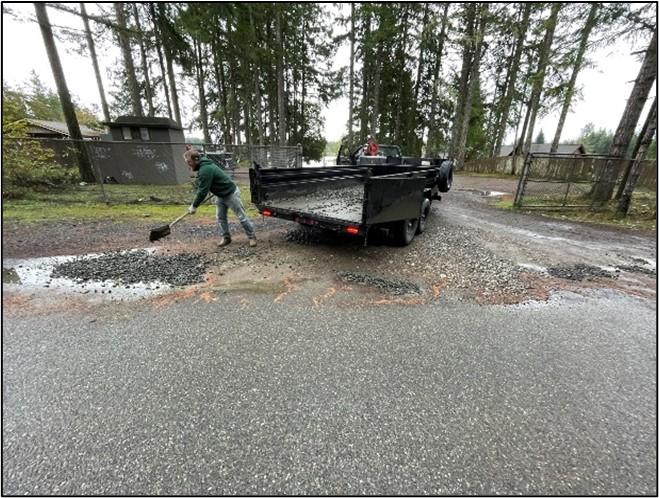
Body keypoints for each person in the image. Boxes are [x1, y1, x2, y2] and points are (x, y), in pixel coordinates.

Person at [183, 146, 256, 247]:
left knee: (241, 216)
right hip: (220, 195)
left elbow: (202, 191)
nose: (189, 165)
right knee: (220, 217)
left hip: (230, 193)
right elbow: (205, 187)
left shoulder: (205, 170)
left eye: (189, 162)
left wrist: (194, 206)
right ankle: (226, 238)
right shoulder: (203, 166)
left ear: (196, 160)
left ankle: (252, 237)